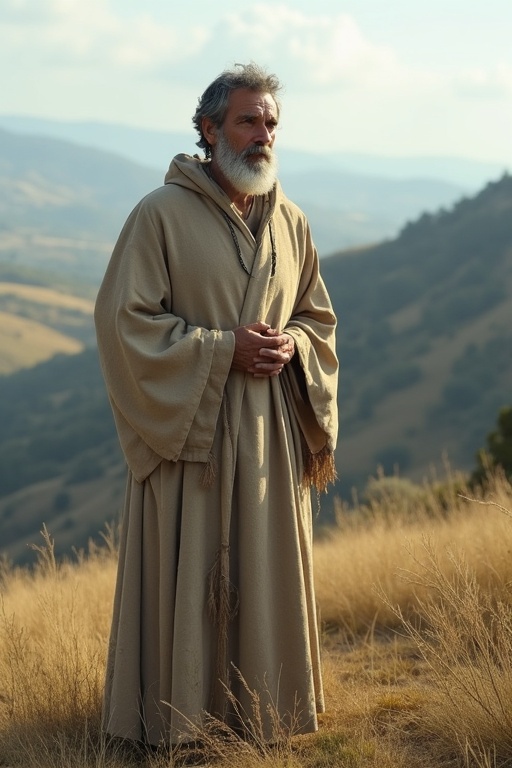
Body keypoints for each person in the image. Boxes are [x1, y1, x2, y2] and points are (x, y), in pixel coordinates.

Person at [94, 62, 338, 749]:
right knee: (191, 577)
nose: (263, 135)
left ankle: (268, 718)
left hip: (270, 439)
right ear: (209, 130)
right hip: (191, 440)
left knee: (264, 577)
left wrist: (291, 343)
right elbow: (124, 322)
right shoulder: (157, 215)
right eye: (247, 121)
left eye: (270, 124)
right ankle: (180, 728)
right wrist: (219, 349)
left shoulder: (290, 221)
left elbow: (318, 318)